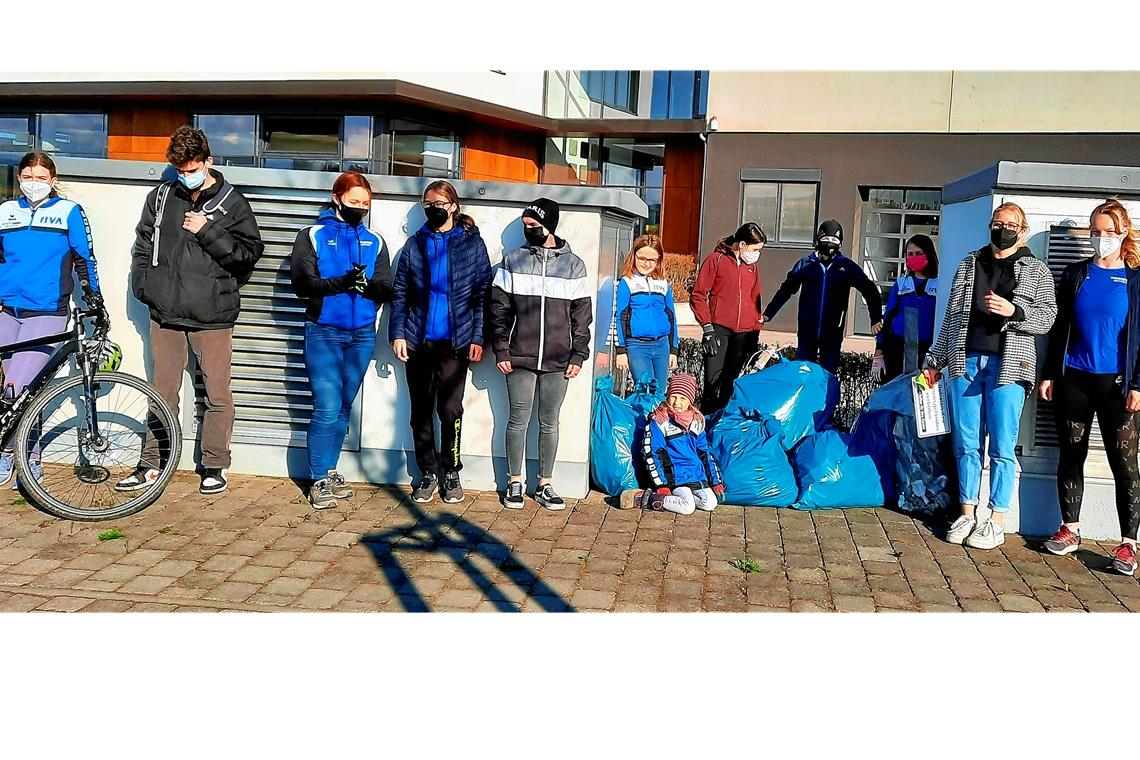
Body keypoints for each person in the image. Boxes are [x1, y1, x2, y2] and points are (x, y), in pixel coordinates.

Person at [119, 126, 264, 495]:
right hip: (166, 313)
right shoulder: (161, 196)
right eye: (180, 169)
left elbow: (248, 255)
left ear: (208, 162)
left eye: (192, 168)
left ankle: (214, 465)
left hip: (213, 316)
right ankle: (152, 464)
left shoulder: (232, 202)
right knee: (162, 393)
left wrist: (208, 231)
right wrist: (146, 289)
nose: (186, 176)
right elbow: (142, 246)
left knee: (217, 394)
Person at [924, 202, 1056, 550]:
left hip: (1009, 366)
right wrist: (935, 356)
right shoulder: (969, 263)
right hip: (965, 363)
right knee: (965, 443)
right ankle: (967, 511)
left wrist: (1014, 310)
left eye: (1010, 224)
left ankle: (996, 518)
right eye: (998, 223)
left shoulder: (1036, 270)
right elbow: (952, 315)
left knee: (1001, 445)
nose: (1003, 229)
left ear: (1022, 229)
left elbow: (1047, 318)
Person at [1039, 200, 1140, 576]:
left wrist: (1138, 385)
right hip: (1074, 379)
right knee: (1071, 453)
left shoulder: (1135, 279)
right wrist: (1050, 374)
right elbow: (1059, 324)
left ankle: (1129, 544)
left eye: (1110, 233)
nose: (1102, 240)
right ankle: (1071, 528)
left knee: (1124, 464)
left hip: (1117, 384)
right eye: (1096, 232)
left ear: (1124, 233)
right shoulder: (1075, 274)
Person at [0, 151, 105, 488]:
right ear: (19, 179)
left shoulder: (68, 211)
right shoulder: (5, 212)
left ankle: (18, 457)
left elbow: (84, 258)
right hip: (6, 310)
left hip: (47, 311)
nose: (34, 183)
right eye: (28, 176)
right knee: (8, 391)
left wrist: (95, 299)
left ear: (53, 180)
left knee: (20, 387)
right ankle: (24, 457)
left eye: (41, 177)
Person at [290, 171, 393, 509]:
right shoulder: (313, 234)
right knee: (326, 407)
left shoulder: (374, 239)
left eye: (364, 204)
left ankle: (331, 468)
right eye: (353, 202)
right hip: (323, 331)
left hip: (362, 333)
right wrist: (341, 283)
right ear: (337, 199)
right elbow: (303, 285)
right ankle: (317, 478)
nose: (359, 208)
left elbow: (387, 287)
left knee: (344, 408)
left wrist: (367, 286)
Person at [388, 180, 491, 505]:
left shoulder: (472, 245)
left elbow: (482, 296)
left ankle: (451, 470)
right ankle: (427, 472)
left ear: (454, 206)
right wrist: (397, 333)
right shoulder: (414, 245)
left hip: (456, 343)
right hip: (418, 341)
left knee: (450, 410)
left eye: (439, 204)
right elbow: (400, 292)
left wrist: (478, 337)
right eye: (428, 204)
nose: (433, 209)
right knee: (420, 411)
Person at [490, 197, 592, 511]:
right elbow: (498, 310)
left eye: (533, 226)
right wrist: (501, 348)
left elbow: (582, 315)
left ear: (549, 225)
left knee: (550, 422)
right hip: (518, 355)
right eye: (525, 226)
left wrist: (579, 354)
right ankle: (514, 481)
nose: (528, 230)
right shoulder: (513, 260)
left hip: (559, 359)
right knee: (517, 420)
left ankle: (545, 484)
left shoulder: (574, 264)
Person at [762, 219, 883, 374]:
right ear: (818, 240)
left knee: (828, 376)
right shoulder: (806, 264)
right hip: (807, 329)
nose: (830, 243)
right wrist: (768, 313)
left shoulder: (846, 267)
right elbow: (786, 289)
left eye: (834, 240)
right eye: (826, 239)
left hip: (833, 331)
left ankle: (827, 399)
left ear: (840, 243)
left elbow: (869, 289)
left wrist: (875, 318)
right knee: (804, 372)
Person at [619, 373, 724, 514]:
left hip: (696, 476)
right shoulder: (660, 421)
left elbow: (705, 454)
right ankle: (647, 498)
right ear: (667, 396)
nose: (677, 403)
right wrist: (662, 484)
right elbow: (653, 454)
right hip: (675, 477)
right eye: (673, 396)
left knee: (710, 503)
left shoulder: (697, 421)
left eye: (683, 398)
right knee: (687, 508)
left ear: (690, 401)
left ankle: (681, 500)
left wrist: (715, 481)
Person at [689, 222, 765, 412]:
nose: (757, 254)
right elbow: (698, 295)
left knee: (730, 384)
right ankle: (704, 428)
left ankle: (722, 429)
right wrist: (707, 328)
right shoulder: (716, 260)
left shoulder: (752, 268)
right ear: (742, 245)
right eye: (755, 249)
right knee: (712, 383)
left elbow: (755, 301)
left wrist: (754, 334)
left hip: (743, 335)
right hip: (718, 331)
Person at [613, 234, 678, 392]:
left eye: (652, 259)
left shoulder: (663, 283)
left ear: (659, 260)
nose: (646, 263)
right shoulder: (626, 282)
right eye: (642, 258)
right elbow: (619, 317)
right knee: (645, 392)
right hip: (637, 346)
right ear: (634, 256)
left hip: (662, 345)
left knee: (660, 393)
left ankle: (658, 419)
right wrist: (620, 350)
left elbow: (671, 317)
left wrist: (673, 350)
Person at [872, 234, 939, 382]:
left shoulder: (940, 284)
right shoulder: (902, 283)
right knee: (894, 395)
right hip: (897, 347)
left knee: (921, 396)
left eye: (919, 253)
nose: (914, 257)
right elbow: (888, 316)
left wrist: (934, 355)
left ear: (929, 254)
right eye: (910, 254)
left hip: (926, 350)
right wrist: (879, 351)